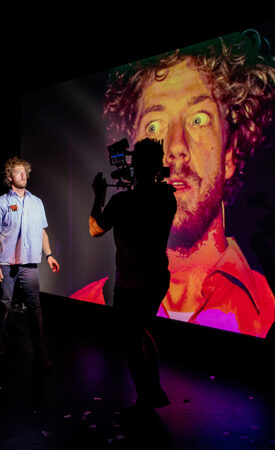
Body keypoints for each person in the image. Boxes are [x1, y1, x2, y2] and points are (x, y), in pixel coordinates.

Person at [71, 30, 275, 353]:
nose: (175, 148)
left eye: (199, 119)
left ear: (229, 155)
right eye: (154, 126)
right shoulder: (84, 307)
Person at [89, 138, 177, 408]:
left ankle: (146, 398)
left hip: (130, 285)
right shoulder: (167, 197)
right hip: (156, 279)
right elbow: (150, 197)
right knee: (140, 329)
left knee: (131, 341)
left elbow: (95, 229)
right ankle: (155, 390)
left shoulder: (122, 201)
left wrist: (99, 196)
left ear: (133, 164)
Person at [0, 156, 60, 366]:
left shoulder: (37, 202)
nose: (23, 175)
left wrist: (49, 255)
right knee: (4, 303)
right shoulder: (0, 203)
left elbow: (42, 232)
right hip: (6, 262)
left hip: (29, 264)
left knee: (34, 306)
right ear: (9, 177)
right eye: (18, 172)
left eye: (25, 172)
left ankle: (39, 350)